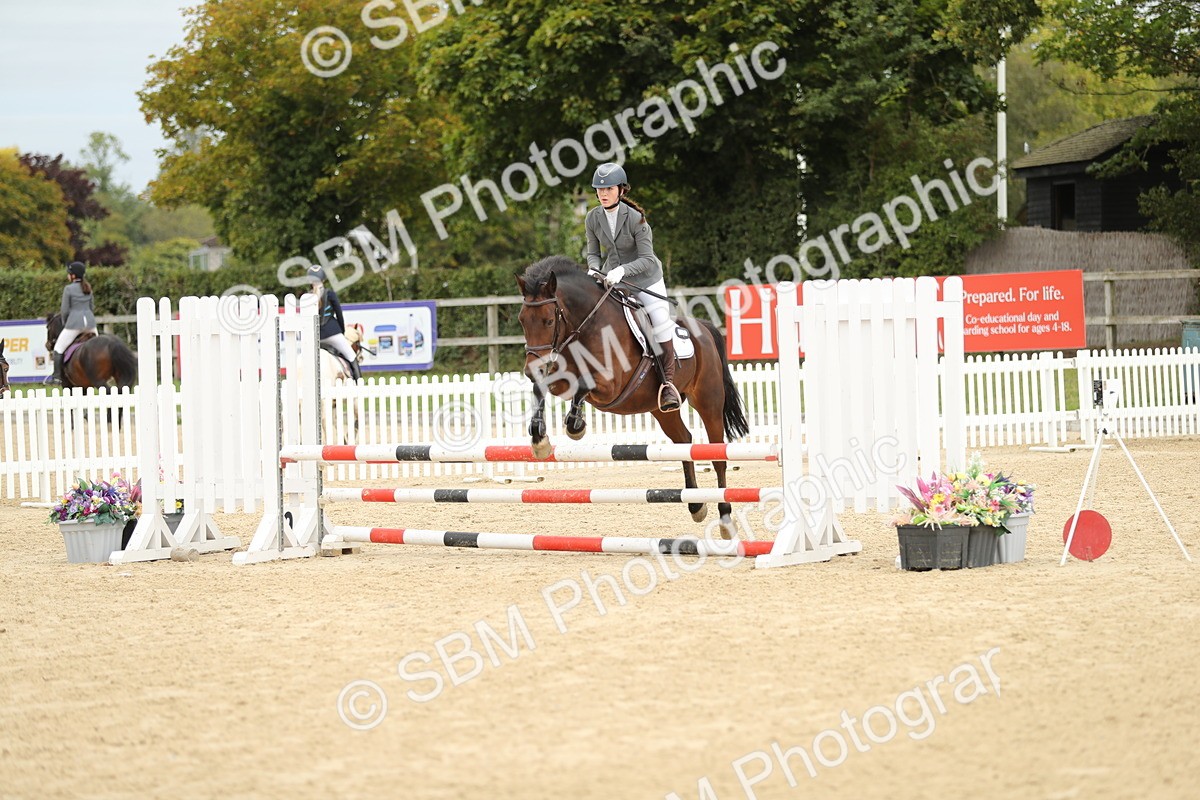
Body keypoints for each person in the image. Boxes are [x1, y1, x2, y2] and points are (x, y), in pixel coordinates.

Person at [584, 162, 681, 411]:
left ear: (621, 190)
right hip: (613, 278)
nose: (603, 194)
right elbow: (593, 253)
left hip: (645, 278)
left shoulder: (637, 220)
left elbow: (647, 259)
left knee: (660, 320)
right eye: (599, 189)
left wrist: (622, 270)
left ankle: (667, 384)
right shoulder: (593, 218)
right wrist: (594, 268)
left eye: (609, 189)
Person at [307, 265, 361, 381]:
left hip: (315, 337)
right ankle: (359, 385)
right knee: (351, 356)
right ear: (324, 279)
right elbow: (339, 315)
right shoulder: (329, 294)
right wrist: (341, 332)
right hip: (332, 333)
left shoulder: (307, 297)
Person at [49, 261, 99, 385]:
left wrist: (66, 323)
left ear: (73, 276)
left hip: (74, 324)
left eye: (69, 273)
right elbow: (92, 307)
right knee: (98, 348)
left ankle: (57, 376)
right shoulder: (88, 287)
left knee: (58, 348)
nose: (68, 275)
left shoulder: (68, 289)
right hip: (91, 324)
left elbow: (65, 310)